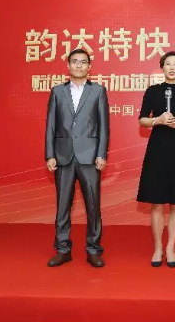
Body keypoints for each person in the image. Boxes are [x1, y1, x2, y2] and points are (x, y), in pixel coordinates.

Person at [45, 49, 110, 268]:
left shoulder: (98, 91)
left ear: (89, 67)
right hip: (63, 156)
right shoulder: (57, 92)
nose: (79, 66)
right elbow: (51, 125)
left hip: (90, 157)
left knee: (93, 206)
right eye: (74, 62)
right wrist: (50, 154)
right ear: (68, 66)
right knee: (62, 206)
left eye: (83, 62)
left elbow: (104, 126)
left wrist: (101, 154)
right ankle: (63, 249)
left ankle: (93, 250)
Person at [137, 51, 175, 268]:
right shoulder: (152, 91)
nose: (172, 67)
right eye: (168, 64)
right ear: (162, 67)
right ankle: (157, 247)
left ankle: (171, 247)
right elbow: (142, 120)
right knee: (156, 202)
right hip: (157, 148)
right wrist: (158, 120)